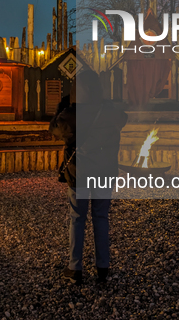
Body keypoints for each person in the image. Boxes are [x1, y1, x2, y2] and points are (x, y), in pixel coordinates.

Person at [49, 70, 127, 285]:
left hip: (80, 174)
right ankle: (103, 267)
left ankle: (75, 268)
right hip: (105, 173)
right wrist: (106, 103)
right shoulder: (111, 112)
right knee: (101, 218)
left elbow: (53, 130)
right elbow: (124, 118)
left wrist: (62, 107)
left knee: (78, 219)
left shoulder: (71, 114)